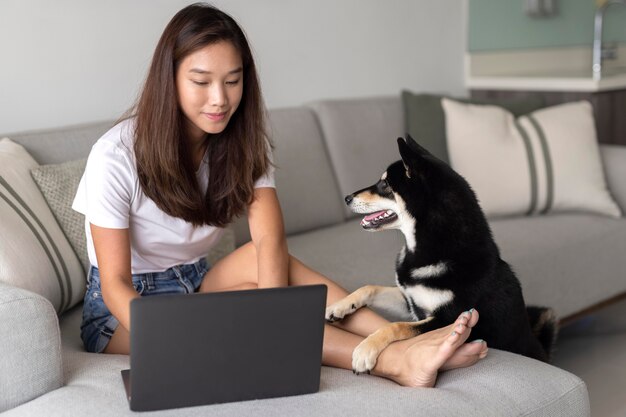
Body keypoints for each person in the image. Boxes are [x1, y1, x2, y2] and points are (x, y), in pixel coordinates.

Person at [73, 2, 488, 388]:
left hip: (195, 280)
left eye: (232, 81)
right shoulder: (116, 155)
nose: (220, 99)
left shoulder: (241, 143)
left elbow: (269, 241)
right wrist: (181, 334)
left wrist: (272, 316)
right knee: (244, 318)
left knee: (269, 267)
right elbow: (114, 283)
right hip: (125, 313)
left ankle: (400, 338)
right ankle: (395, 360)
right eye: (201, 82)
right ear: (170, 79)